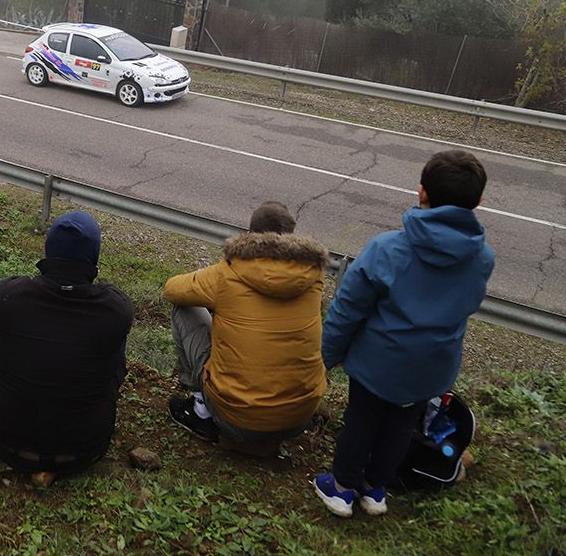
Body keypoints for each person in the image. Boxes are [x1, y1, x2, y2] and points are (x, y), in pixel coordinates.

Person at [314, 150, 494, 517]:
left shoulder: (387, 249)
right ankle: (375, 490)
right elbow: (467, 305)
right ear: (477, 202)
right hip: (430, 369)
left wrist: (326, 356)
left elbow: (348, 310)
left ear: (421, 192)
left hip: (377, 365)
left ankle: (342, 488)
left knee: (361, 422)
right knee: (401, 426)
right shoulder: (482, 259)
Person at [0, 210, 134, 484]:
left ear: (48, 252)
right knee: (108, 342)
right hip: (84, 450)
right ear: (93, 258)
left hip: (2, 439)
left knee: (2, 326)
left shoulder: (8, 296)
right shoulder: (116, 309)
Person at [162, 201, 328, 455]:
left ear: (250, 233)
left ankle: (200, 409)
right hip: (299, 418)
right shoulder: (312, 274)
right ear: (292, 236)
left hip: (236, 417)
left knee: (184, 308)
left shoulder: (229, 271)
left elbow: (172, 289)